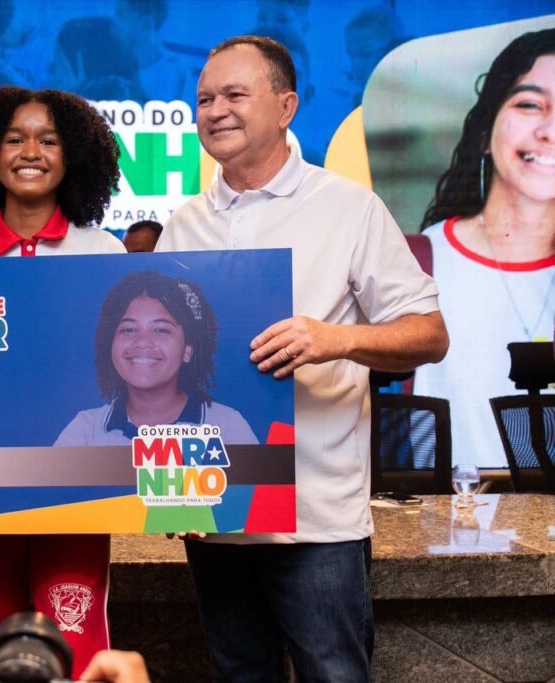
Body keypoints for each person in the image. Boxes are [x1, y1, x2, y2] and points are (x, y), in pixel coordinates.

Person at [155, 36, 448, 680]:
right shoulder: (183, 224)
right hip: (217, 512)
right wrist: (170, 492)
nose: (215, 111)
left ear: (286, 106)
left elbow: (430, 334)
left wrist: (335, 339)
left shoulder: (348, 207)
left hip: (317, 521)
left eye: (235, 94)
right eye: (204, 99)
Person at [0, 86, 124, 680]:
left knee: (78, 657)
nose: (30, 152)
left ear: (73, 156)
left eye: (49, 140)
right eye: (14, 138)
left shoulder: (105, 251)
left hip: (78, 491)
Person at [416, 29, 555, 469]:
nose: (550, 129)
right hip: (444, 511)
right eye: (530, 104)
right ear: (484, 131)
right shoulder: (420, 260)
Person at [55, 270, 257, 446]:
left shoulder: (227, 425)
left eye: (161, 330)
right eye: (128, 329)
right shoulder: (85, 429)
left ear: (187, 350)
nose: (142, 342)